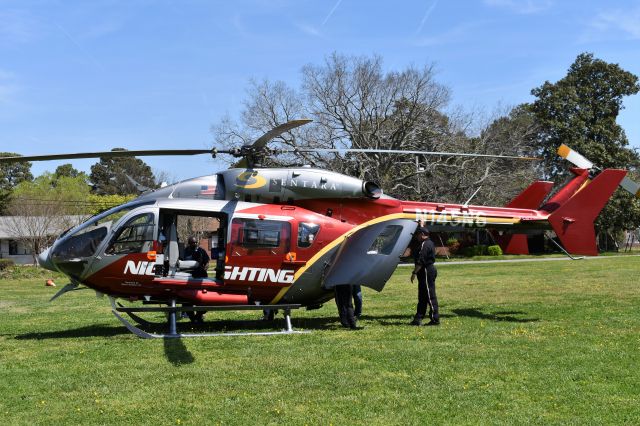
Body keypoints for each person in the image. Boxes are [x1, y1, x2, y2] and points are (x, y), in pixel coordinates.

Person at [410, 227, 440, 326]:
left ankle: (435, 319)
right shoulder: (428, 243)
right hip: (424, 271)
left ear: (422, 234)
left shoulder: (425, 244)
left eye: (418, 234)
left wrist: (414, 273)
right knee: (422, 296)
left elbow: (421, 260)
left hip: (426, 270)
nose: (416, 236)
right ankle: (418, 318)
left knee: (430, 295)